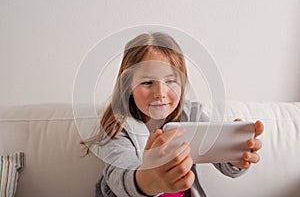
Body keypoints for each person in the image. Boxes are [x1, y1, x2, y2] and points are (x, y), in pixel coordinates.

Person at [82, 32, 264, 197]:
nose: (160, 92)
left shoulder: (191, 114)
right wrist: (148, 180)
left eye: (170, 81)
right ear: (128, 85)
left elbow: (223, 161)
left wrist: (234, 155)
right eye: (147, 82)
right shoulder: (118, 125)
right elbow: (119, 176)